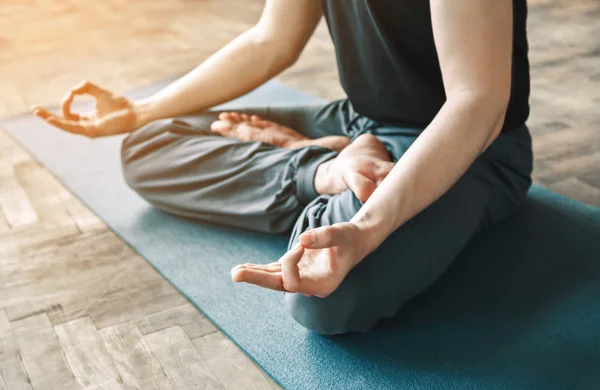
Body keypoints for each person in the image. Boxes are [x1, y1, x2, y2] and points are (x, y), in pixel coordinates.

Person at [32, 0, 533, 334]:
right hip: (362, 122)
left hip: (470, 147)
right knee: (149, 144)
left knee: (327, 295)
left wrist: (365, 227)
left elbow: (477, 102)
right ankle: (326, 168)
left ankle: (324, 164)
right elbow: (269, 41)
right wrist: (141, 110)